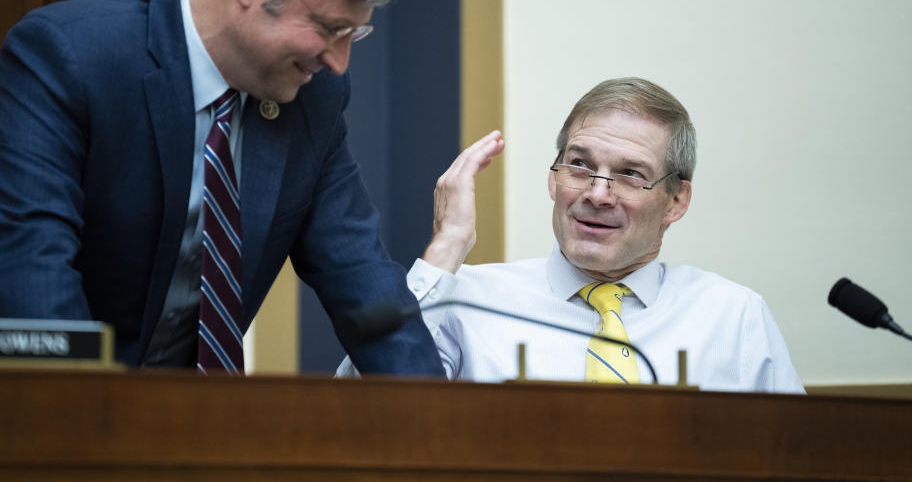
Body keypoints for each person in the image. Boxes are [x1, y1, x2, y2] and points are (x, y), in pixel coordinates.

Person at [0, 0, 444, 376]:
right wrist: (103, 440)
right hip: (16, 410)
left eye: (354, 35)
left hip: (186, 422)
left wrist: (443, 429)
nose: (338, 62)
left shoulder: (315, 97)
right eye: (328, 28)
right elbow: (34, 279)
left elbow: (361, 276)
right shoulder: (68, 57)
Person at [338, 77, 803, 392]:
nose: (598, 194)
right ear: (553, 179)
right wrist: (446, 249)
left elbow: (794, 459)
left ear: (676, 201)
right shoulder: (465, 302)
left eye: (630, 174)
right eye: (580, 165)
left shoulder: (731, 316)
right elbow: (360, 412)